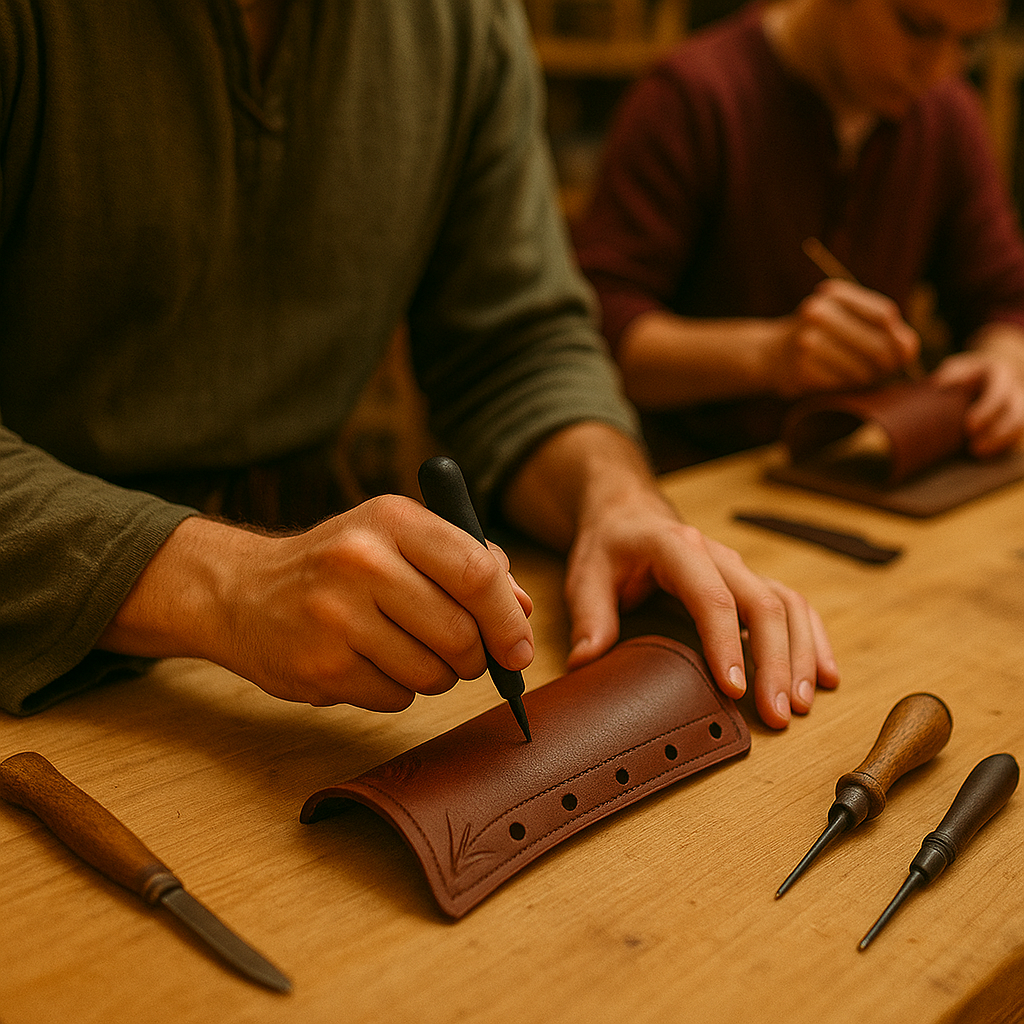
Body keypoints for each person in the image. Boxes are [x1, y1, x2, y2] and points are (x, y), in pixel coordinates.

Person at [0, 0, 838, 731]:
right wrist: (228, 587)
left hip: (302, 657)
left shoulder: (459, 18)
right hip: (39, 635)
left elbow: (515, 345)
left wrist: (612, 496)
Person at [574, 0, 1024, 471]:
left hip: (859, 464)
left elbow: (1004, 299)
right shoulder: (692, 97)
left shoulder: (948, 113)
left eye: (969, 42)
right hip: (692, 478)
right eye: (915, 27)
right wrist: (769, 355)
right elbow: (597, 337)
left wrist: (1002, 365)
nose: (937, 68)